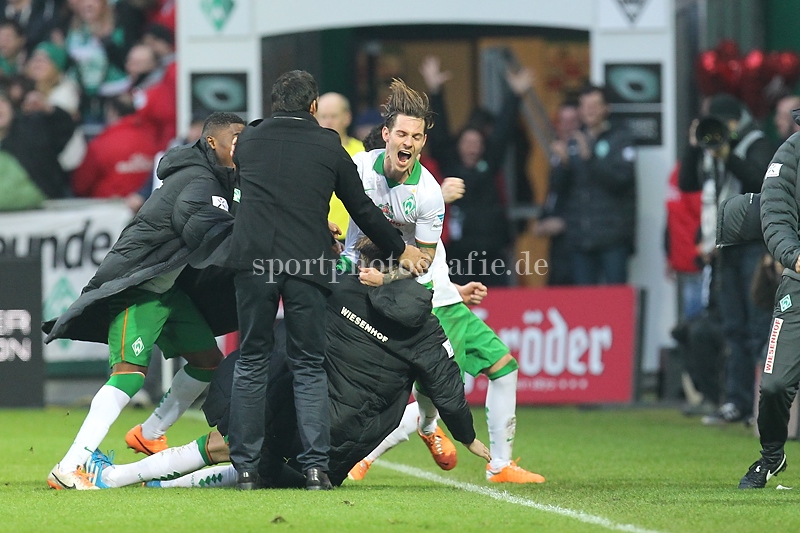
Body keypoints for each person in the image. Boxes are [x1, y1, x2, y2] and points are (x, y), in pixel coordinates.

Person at [86, 237, 491, 489]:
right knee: (262, 466)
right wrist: (469, 438)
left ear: (370, 269)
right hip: (335, 462)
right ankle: (163, 486)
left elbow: (293, 271)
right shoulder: (427, 326)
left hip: (302, 424)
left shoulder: (343, 288)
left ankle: (112, 477)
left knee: (234, 442)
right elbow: (448, 389)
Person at [226, 70, 428, 491]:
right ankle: (315, 468)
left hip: (254, 261)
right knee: (309, 366)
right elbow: (363, 209)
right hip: (307, 263)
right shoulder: (326, 143)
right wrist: (399, 249)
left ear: (274, 103)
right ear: (314, 107)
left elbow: (266, 194)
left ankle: (244, 468)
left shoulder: (247, 140)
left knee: (251, 361)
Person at [343, 81, 544, 484]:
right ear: (386, 135)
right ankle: (368, 452)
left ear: (422, 142)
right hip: (380, 294)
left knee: (495, 369)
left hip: (430, 296)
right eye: (401, 133)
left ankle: (497, 463)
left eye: (416, 136)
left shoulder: (429, 192)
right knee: (428, 391)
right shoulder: (359, 170)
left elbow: (423, 262)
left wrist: (448, 289)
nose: (408, 142)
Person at [43, 112, 246, 490]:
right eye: (234, 135)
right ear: (211, 142)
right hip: (136, 288)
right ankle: (70, 465)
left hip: (167, 291)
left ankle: (150, 432)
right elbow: (202, 227)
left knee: (207, 363)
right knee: (129, 376)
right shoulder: (196, 181)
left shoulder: (223, 181)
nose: (240, 141)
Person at [680, 94, 773, 426]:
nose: (720, 131)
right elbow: (686, 183)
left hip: (753, 244)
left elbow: (759, 181)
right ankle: (737, 401)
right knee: (732, 327)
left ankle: (764, 404)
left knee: (758, 327)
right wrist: (694, 146)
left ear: (736, 121)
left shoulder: (757, 143)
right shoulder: (708, 148)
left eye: (723, 124)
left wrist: (726, 154)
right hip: (725, 246)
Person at [419, 55, 532, 286]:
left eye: (477, 143)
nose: (472, 148)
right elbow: (439, 135)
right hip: (458, 252)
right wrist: (435, 91)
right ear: (458, 146)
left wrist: (515, 95)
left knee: (497, 300)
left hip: (492, 251)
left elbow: (502, 133)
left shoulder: (489, 166)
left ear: (483, 147)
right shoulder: (450, 165)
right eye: (466, 143)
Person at [738, 111, 800, 488]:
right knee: (775, 385)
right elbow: (774, 217)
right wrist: (794, 257)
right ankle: (772, 455)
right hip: (799, 279)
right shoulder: (789, 156)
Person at [552, 84, 636, 285]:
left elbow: (622, 181)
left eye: (595, 105)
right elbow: (558, 190)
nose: (589, 110)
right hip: (580, 240)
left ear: (607, 108)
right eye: (585, 105)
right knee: (585, 304)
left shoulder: (621, 138)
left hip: (613, 238)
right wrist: (562, 166)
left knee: (615, 301)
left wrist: (590, 159)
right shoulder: (571, 142)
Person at [71, 93, 161, 198]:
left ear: (112, 112)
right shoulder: (151, 139)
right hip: (147, 204)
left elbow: (81, 185)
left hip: (108, 206)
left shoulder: (102, 143)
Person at [0, 84, 74, 199]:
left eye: (3, 101)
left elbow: (66, 127)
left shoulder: (33, 124)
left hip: (51, 201)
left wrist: (48, 109)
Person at [537, 98, 581, 285]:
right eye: (563, 122)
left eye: (573, 122)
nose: (567, 127)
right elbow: (554, 194)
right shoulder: (556, 157)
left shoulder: (585, 157)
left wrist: (564, 222)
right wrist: (543, 220)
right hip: (558, 245)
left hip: (578, 244)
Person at [316, 92, 365, 241]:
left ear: (347, 117)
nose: (328, 122)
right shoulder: (311, 153)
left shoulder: (362, 152)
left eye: (334, 116)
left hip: (354, 238)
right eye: (323, 116)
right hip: (320, 234)